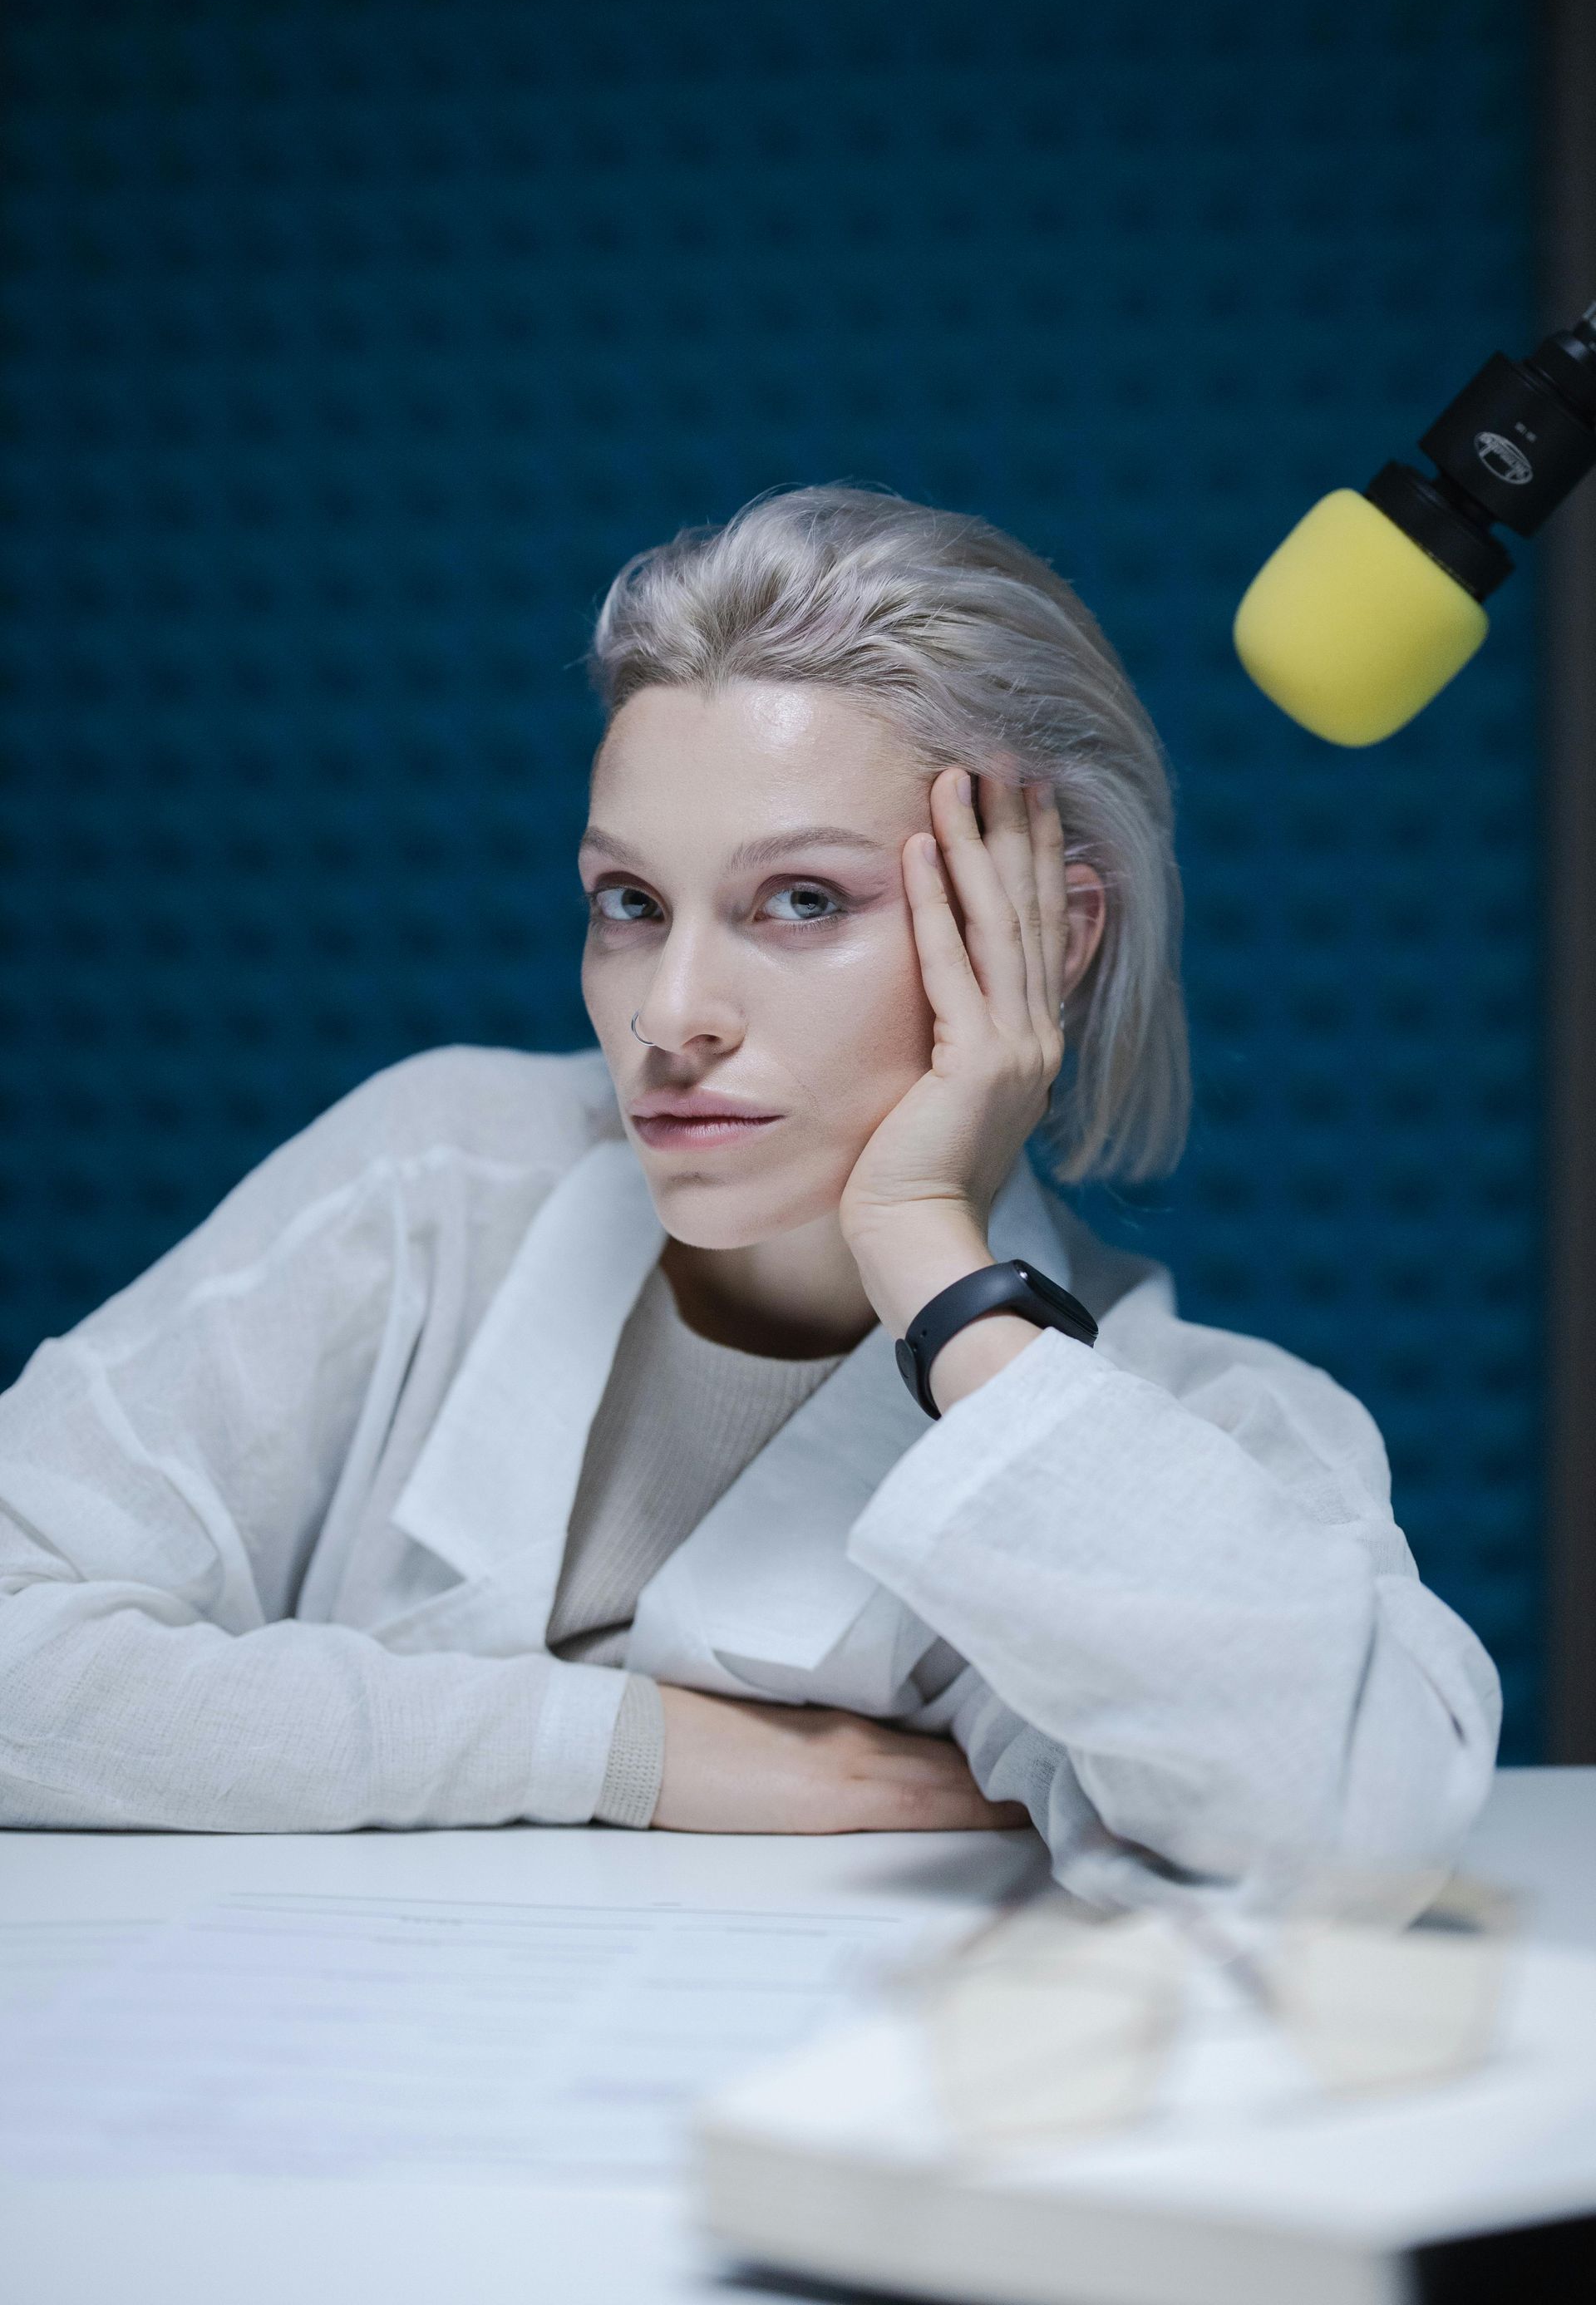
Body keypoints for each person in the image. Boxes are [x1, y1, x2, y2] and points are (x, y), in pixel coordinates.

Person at [0, 487, 1499, 1909]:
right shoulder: (435, 1183)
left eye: (801, 902)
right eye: (630, 905)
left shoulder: (1176, 1431)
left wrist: (935, 1263)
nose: (670, 1014)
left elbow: (1347, 1846)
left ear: (1043, 937)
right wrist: (619, 1749)